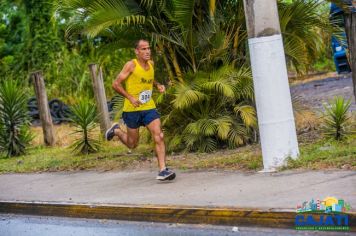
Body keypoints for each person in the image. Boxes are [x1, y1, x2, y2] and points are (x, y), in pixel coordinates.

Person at [105, 39, 176, 181]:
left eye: (148, 48)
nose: (147, 51)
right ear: (136, 51)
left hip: (149, 107)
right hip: (132, 109)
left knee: (159, 135)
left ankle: (163, 170)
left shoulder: (151, 64)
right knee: (132, 144)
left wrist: (157, 85)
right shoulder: (131, 65)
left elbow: (149, 79)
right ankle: (117, 130)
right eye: (143, 49)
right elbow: (116, 84)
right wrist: (130, 97)